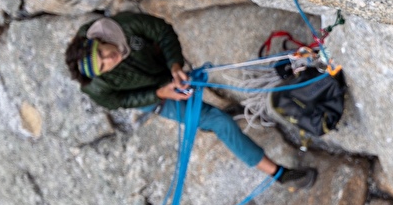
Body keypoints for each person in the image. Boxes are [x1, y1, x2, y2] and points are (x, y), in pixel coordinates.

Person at [64, 13, 316, 190]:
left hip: (166, 68)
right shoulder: (97, 88)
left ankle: (233, 107)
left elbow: (161, 31)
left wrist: (174, 65)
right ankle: (280, 175)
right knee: (219, 121)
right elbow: (119, 101)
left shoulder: (122, 26)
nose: (111, 58)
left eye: (102, 53)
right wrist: (159, 94)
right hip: (155, 97)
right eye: (104, 66)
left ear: (97, 40)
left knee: (221, 87)